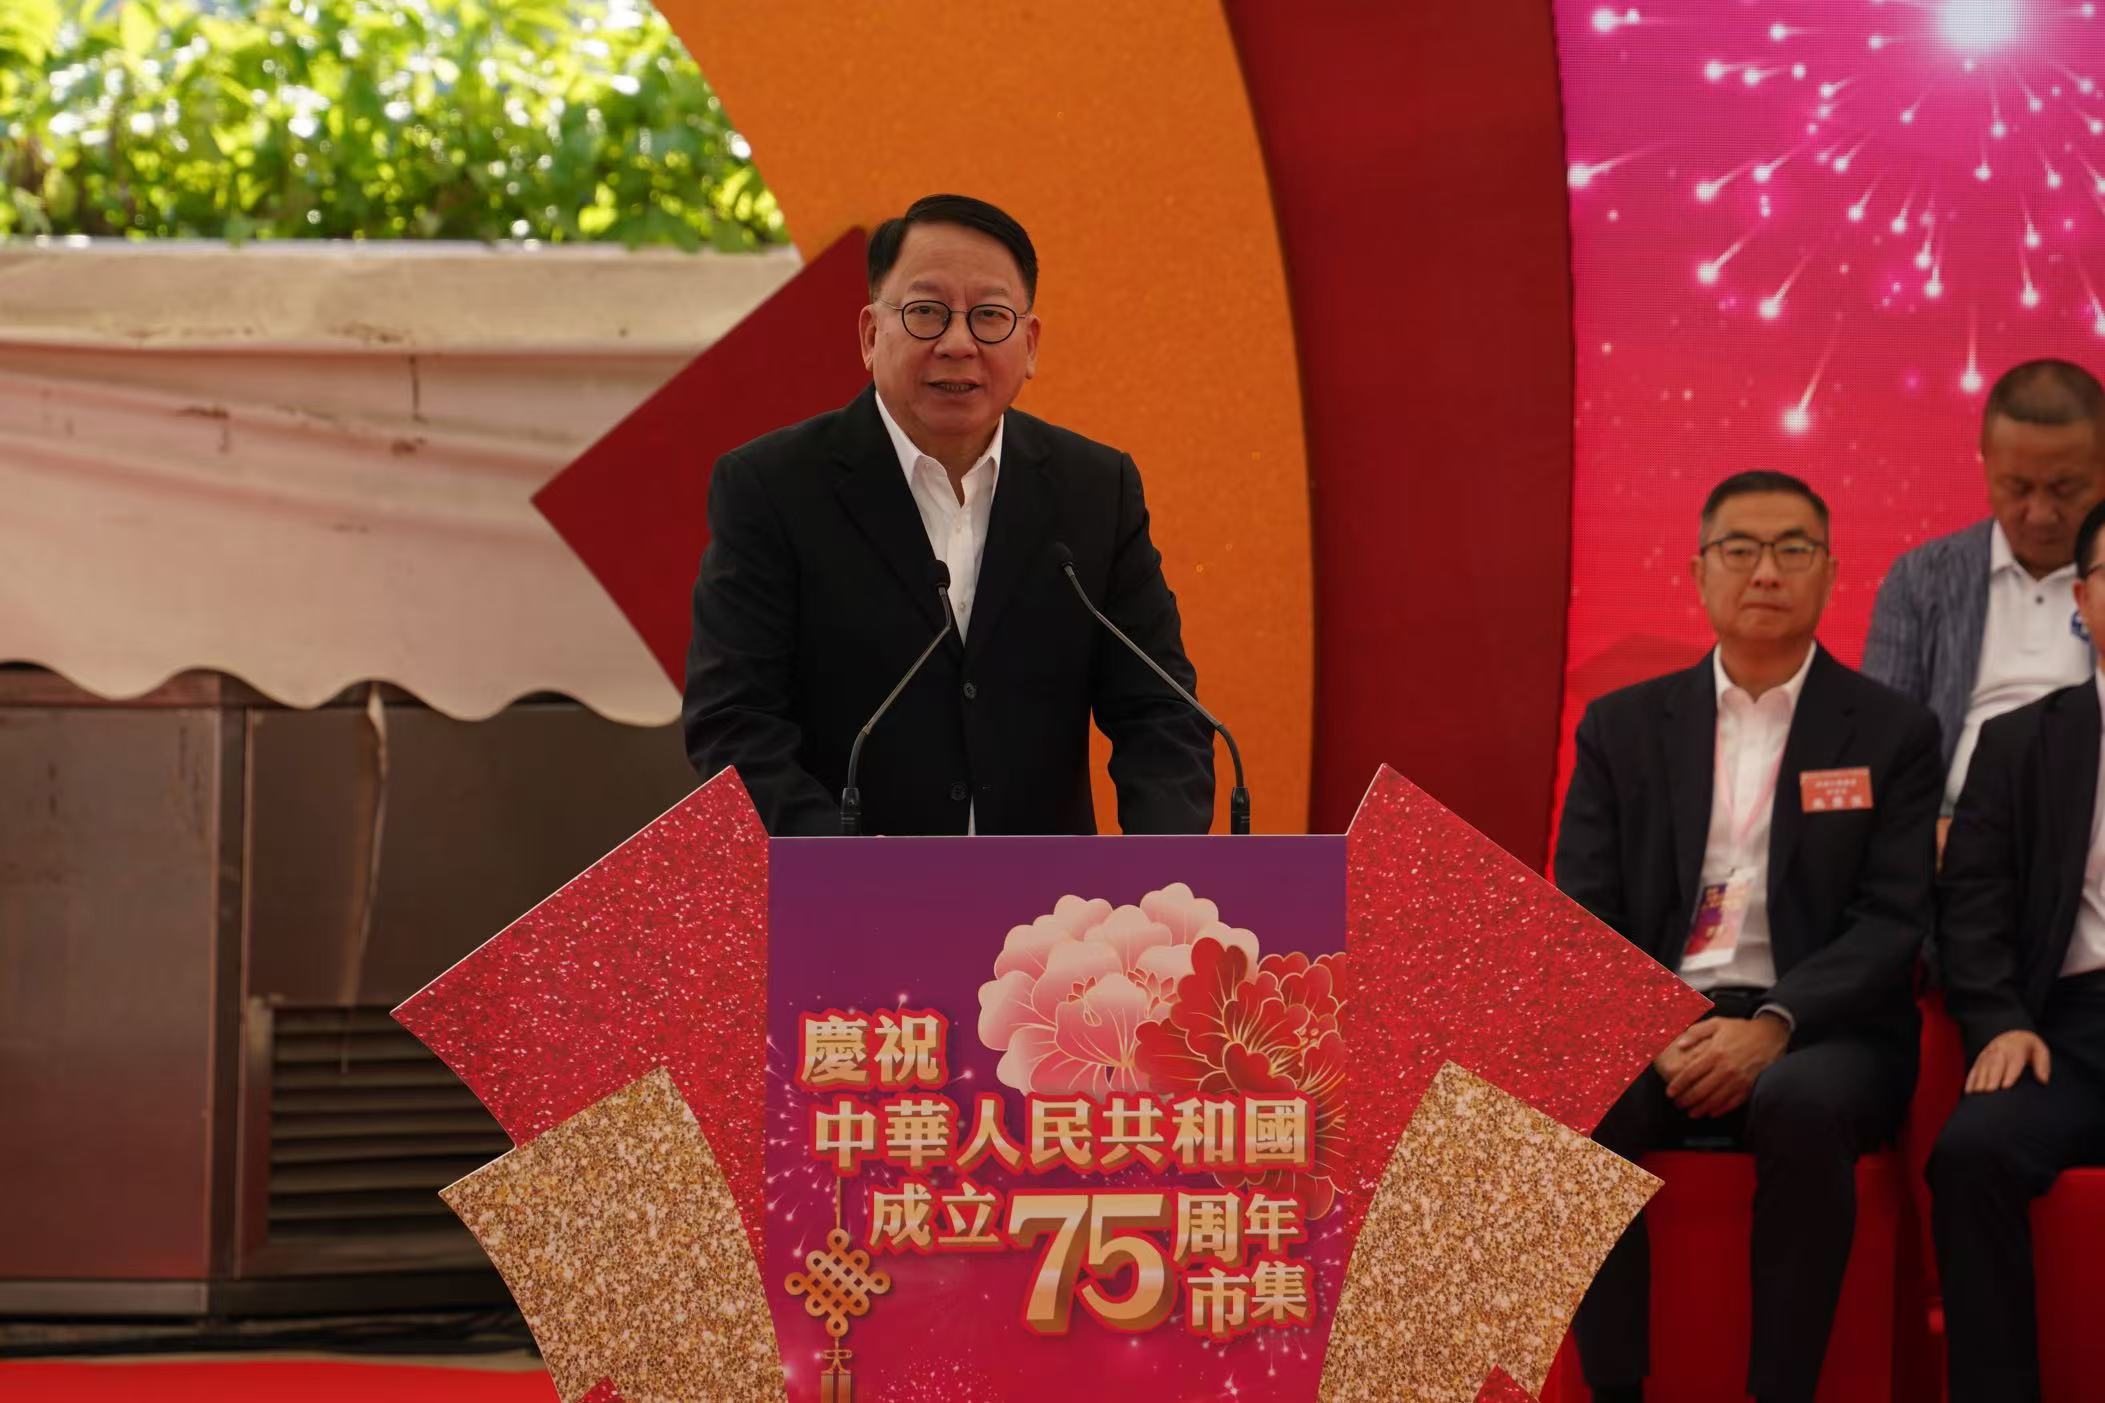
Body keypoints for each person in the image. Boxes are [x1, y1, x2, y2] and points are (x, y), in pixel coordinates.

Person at [1555, 470, 1942, 1403]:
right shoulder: (1620, 726)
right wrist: (1652, 1025)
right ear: (1698, 571)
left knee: (1801, 1103)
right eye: (1740, 549)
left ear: (1829, 573)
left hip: (1824, 1028)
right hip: (1663, 1017)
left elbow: (1894, 917)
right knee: (1569, 1101)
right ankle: (1615, 1390)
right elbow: (1584, 908)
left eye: (1791, 549)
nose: (1765, 571)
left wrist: (1775, 1023)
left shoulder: (1891, 731)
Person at [682, 193, 1214, 836]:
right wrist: (848, 874)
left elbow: (1162, 712)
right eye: (926, 312)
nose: (958, 344)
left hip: (1053, 896)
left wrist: (1161, 870)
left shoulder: (1096, 489)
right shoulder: (772, 488)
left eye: (990, 316)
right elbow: (734, 724)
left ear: (1030, 345)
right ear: (871, 335)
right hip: (850, 888)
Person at [1929, 496, 2105, 1403]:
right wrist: (1998, 1018)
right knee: (1972, 1154)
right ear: (2083, 597)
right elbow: (1971, 905)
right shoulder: (2019, 742)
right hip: (2066, 1028)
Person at [1862, 359, 2105, 816]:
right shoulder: (1921, 578)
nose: (2040, 514)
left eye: (2065, 489)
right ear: (1986, 463)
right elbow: (1881, 738)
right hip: (1955, 825)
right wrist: (1920, 832)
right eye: (2017, 487)